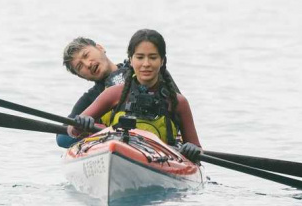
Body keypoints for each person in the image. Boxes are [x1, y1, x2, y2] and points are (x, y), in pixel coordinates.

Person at [69, 29, 203, 162]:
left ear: (162, 61)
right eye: (140, 57)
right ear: (131, 60)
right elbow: (71, 130)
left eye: (153, 57)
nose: (146, 64)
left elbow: (197, 149)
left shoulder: (178, 102)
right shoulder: (113, 93)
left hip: (161, 160)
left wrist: (193, 149)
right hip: (118, 154)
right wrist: (79, 124)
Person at [56, 37, 130, 148]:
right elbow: (61, 138)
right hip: (118, 144)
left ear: (100, 48)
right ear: (82, 77)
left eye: (86, 55)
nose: (88, 64)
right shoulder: (90, 99)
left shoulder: (138, 70)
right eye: (80, 66)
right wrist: (86, 129)